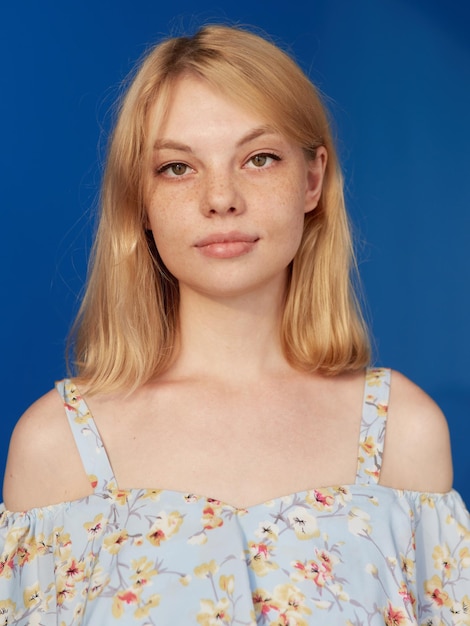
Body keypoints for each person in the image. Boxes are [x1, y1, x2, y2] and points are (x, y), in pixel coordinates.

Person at [1, 23, 468, 626]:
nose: (220, 198)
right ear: (138, 198)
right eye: (177, 167)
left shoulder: (402, 433)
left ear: (312, 179)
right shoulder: (57, 445)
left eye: (259, 158)